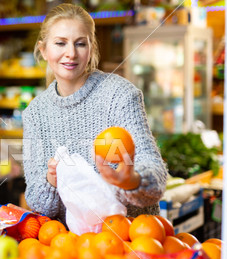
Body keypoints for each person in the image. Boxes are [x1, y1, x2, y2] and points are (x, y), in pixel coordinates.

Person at [22, 4, 167, 225]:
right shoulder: (35, 113)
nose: (70, 53)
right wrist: (51, 180)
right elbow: (37, 202)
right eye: (60, 43)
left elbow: (156, 177)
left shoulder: (120, 95)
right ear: (43, 50)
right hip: (75, 250)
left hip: (134, 241)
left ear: (91, 48)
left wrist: (131, 180)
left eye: (80, 43)